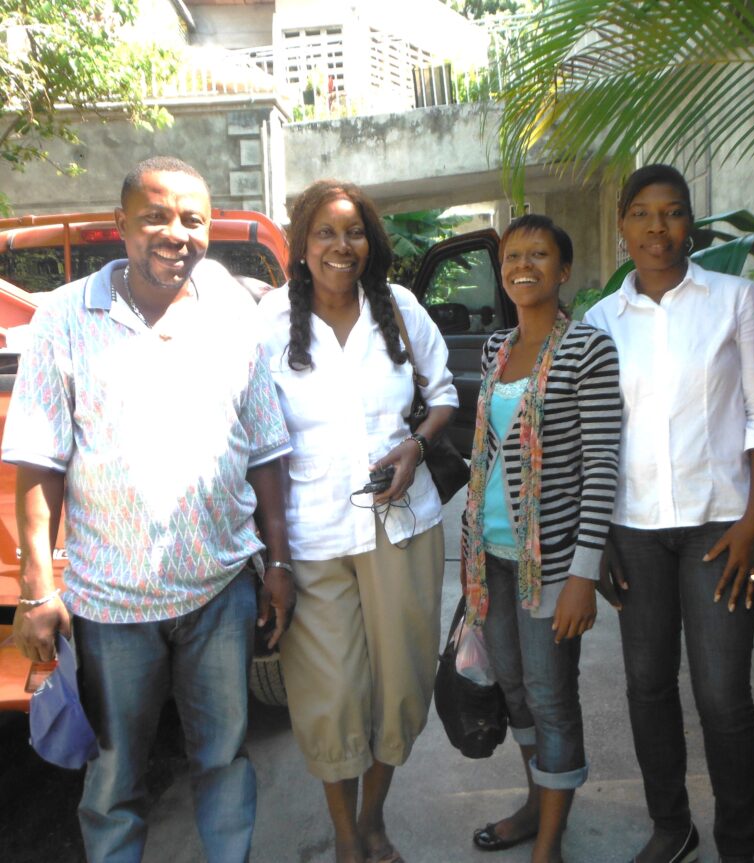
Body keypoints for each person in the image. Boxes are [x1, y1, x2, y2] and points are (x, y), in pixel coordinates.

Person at [2, 156, 294, 862]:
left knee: (223, 759)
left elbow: (266, 448)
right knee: (114, 778)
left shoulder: (233, 311)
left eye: (192, 219)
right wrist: (38, 588)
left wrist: (280, 563)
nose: (176, 233)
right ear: (122, 224)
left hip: (220, 590)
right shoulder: (65, 317)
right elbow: (39, 461)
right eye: (156, 216)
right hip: (110, 605)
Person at [256, 179, 457, 863]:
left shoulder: (397, 307)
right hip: (310, 536)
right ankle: (346, 836)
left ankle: (373, 819)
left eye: (354, 232)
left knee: (401, 685)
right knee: (329, 695)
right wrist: (270, 554)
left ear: (370, 241)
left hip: (400, 525)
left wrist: (417, 445)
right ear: (301, 245)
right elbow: (252, 431)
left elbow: (444, 394)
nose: (341, 246)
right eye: (325, 232)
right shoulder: (269, 320)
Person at [584, 164, 754, 863]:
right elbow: (594, 435)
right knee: (647, 685)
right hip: (633, 530)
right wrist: (597, 537)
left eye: (671, 212)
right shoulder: (600, 321)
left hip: (720, 527)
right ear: (623, 226)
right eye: (641, 213)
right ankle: (672, 826)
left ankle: (737, 844)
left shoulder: (737, 300)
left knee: (723, 695)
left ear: (690, 222)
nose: (657, 227)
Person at [462, 214, 621, 863]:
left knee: (552, 697)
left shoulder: (587, 349)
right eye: (512, 256)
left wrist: (584, 573)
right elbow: (486, 454)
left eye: (539, 254)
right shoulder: (496, 349)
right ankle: (535, 804)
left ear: (564, 271)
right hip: (491, 558)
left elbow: (601, 465)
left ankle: (549, 844)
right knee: (515, 691)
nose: (523, 265)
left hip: (550, 565)